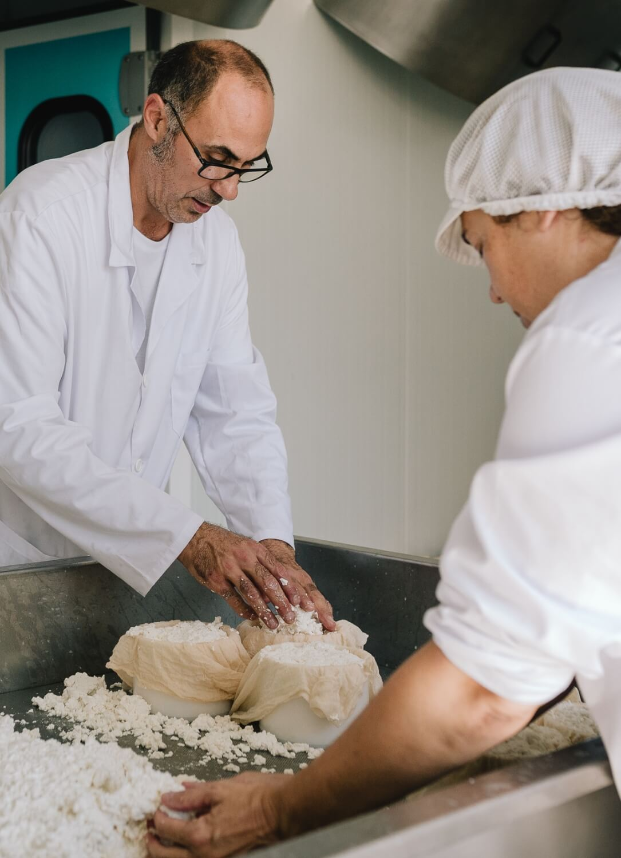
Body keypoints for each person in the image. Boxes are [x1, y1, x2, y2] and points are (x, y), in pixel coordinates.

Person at [147, 66, 621, 856]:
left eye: (481, 245)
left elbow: (480, 689)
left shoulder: (586, 338)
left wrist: (281, 808)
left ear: (536, 210)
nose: (495, 296)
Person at [0, 39, 334, 631]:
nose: (229, 188)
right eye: (217, 158)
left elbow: (235, 414)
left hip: (120, 579)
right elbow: (18, 425)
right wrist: (188, 537)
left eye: (247, 166)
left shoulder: (218, 244)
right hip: (18, 567)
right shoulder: (41, 216)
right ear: (157, 118)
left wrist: (272, 545)